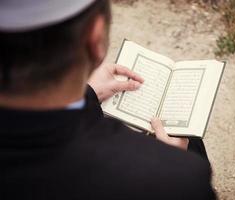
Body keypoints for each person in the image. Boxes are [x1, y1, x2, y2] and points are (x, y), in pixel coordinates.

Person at [0, 0, 216, 199]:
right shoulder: (177, 179)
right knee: (190, 141)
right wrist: (171, 162)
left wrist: (90, 93)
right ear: (96, 39)